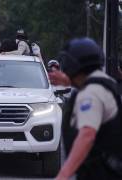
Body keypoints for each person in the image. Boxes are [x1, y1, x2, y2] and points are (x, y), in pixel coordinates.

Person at [49, 38, 122, 180]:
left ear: (74, 65)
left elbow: (87, 135)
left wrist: (62, 176)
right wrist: (67, 81)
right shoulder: (105, 83)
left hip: (100, 174)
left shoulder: (90, 94)